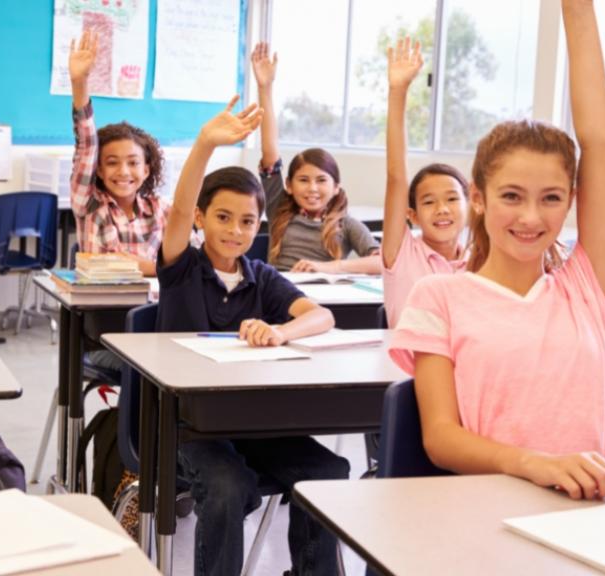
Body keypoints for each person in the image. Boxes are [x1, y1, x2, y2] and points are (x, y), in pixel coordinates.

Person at [389, 0, 605, 501]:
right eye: (511, 196)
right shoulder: (440, 297)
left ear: (572, 203)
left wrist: (577, 10)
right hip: (485, 511)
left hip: (585, 517)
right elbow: (441, 439)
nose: (531, 218)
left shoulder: (586, 287)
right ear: (477, 197)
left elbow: (600, 141)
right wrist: (535, 465)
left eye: (551, 199)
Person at [158, 96, 349, 576]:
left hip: (252, 422)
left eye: (247, 221)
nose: (235, 230)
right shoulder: (183, 269)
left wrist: (281, 331)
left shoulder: (260, 276)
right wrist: (205, 143)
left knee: (327, 473)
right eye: (222, 217)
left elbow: (320, 315)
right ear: (201, 220)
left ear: (259, 226)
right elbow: (179, 207)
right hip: (188, 428)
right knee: (227, 487)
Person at [252, 42, 381, 274]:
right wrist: (265, 88)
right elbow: (270, 152)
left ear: (336, 188)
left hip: (324, 299)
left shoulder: (346, 224)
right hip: (279, 296)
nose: (312, 188)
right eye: (303, 180)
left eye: (321, 180)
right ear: (289, 186)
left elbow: (381, 262)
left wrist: (330, 267)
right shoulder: (279, 208)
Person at [380, 37, 470, 328]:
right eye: (429, 202)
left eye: (453, 199)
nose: (442, 209)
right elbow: (396, 176)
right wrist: (398, 91)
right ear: (412, 215)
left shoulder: (481, 260)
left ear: (471, 206)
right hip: (410, 371)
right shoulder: (402, 252)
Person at [69, 30, 168, 277]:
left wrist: (146, 267)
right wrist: (79, 83)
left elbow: (191, 265)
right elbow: (87, 145)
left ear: (146, 170)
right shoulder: (89, 204)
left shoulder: (161, 209)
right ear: (99, 170)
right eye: (112, 163)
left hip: (152, 310)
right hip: (103, 309)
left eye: (133, 163)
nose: (123, 171)